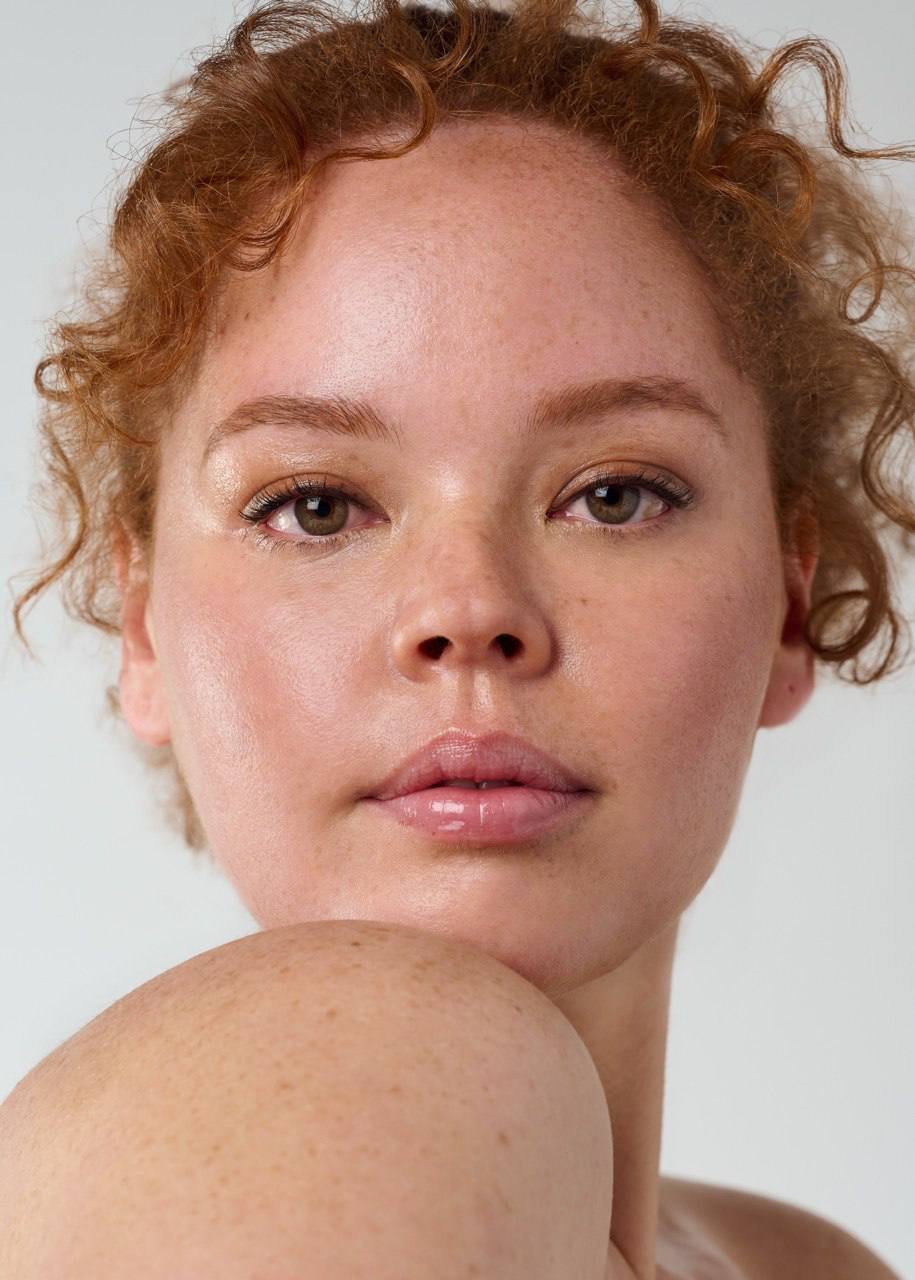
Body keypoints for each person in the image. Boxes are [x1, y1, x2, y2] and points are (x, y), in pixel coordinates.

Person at [2, 0, 912, 1275]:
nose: (467, 609)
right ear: (144, 626)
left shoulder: (804, 1263)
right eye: (314, 505)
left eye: (615, 494)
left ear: (789, 601)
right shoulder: (369, 1066)